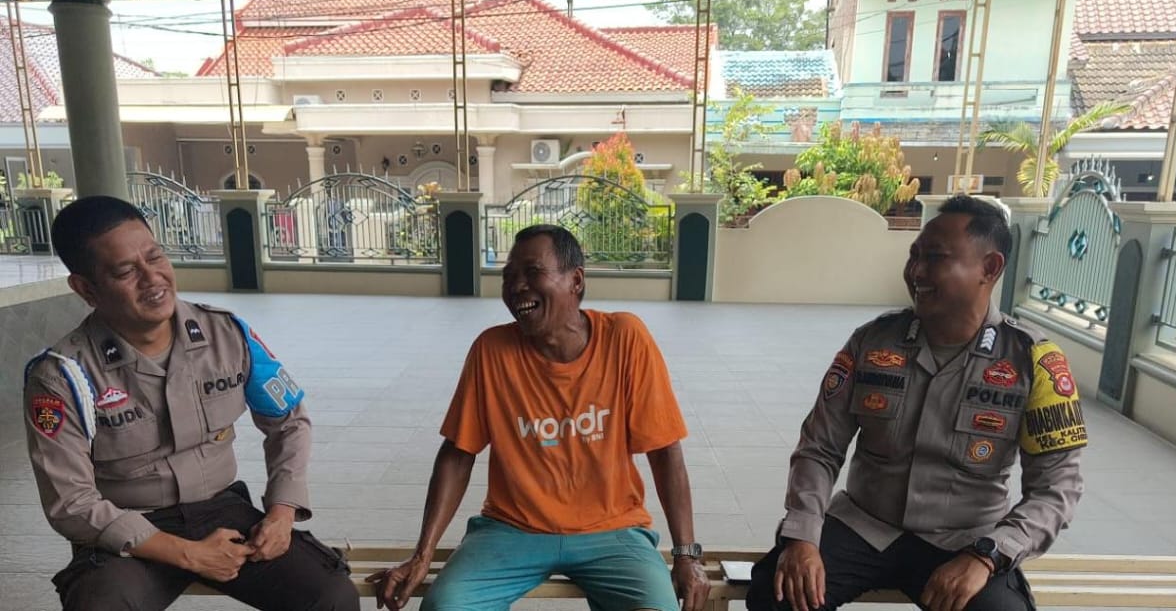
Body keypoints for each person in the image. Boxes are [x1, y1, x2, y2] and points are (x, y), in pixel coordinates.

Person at [748, 195, 1086, 611]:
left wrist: (988, 555)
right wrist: (802, 535)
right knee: (776, 596)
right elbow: (820, 448)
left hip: (965, 539)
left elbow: (1056, 488)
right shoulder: (872, 342)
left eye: (935, 258)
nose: (916, 272)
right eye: (914, 256)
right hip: (864, 525)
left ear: (990, 268)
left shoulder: (1034, 362)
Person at [23, 195, 358, 610]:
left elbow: (289, 421)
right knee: (101, 604)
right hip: (130, 528)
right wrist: (189, 554)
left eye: (155, 257)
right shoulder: (62, 376)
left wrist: (281, 512)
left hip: (223, 510)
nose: (152, 278)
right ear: (86, 289)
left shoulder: (226, 334)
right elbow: (70, 503)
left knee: (331, 595)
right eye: (126, 271)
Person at [368, 224, 710, 611]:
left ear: (576, 280)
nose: (517, 286)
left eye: (532, 272)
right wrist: (422, 555)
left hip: (612, 530)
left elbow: (665, 450)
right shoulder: (491, 350)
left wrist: (686, 554)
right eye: (509, 276)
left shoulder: (625, 338)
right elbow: (458, 453)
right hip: (511, 529)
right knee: (445, 606)